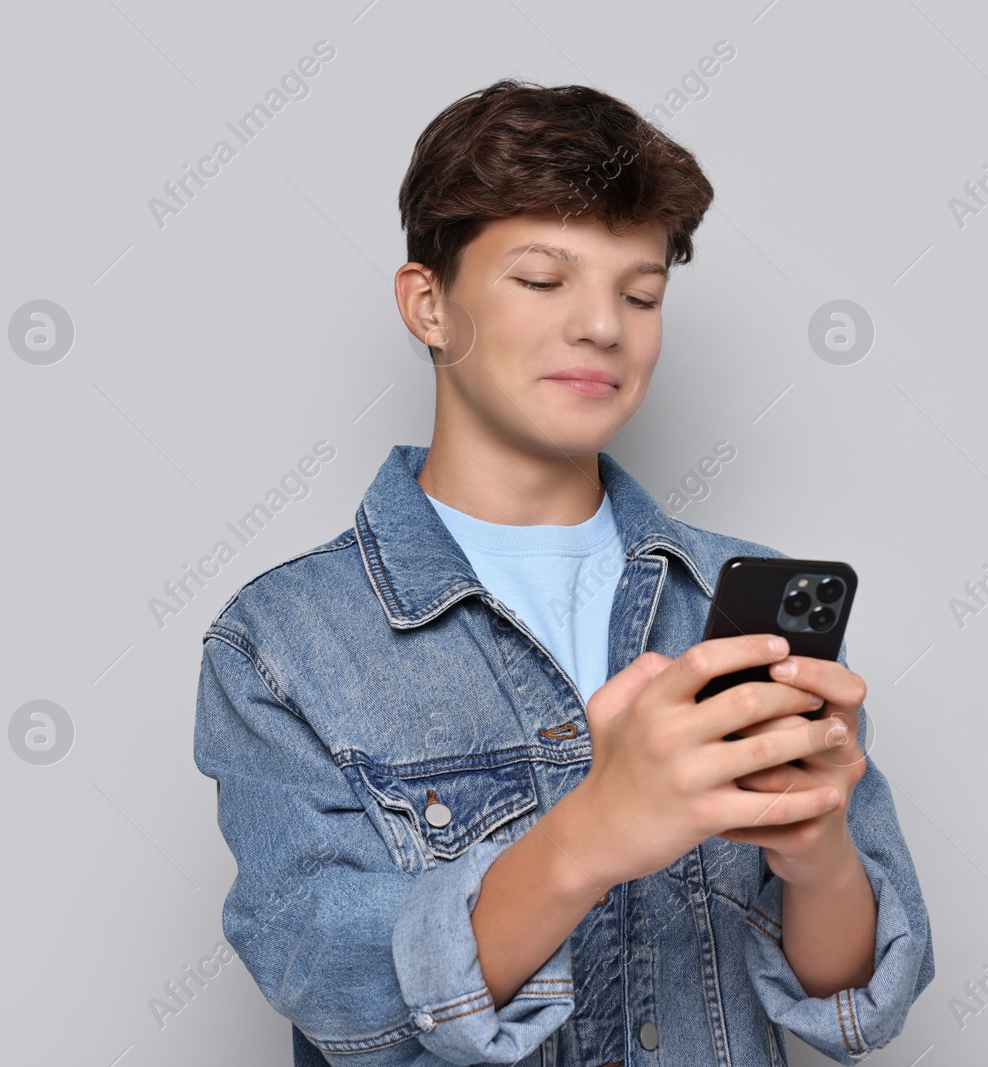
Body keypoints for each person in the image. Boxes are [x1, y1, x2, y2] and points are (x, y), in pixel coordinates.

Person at [193, 78, 934, 1066]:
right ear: (429, 305)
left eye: (640, 293)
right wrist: (591, 833)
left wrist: (819, 854)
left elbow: (854, 1006)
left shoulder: (733, 595)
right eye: (543, 280)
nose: (602, 325)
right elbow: (332, 985)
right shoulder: (286, 637)